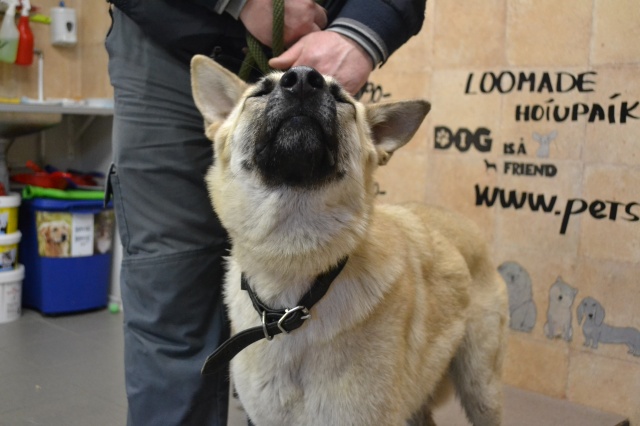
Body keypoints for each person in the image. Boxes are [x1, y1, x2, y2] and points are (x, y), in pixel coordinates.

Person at [104, 1, 427, 424]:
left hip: (322, 43)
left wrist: (360, 34)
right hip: (167, 42)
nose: (300, 84)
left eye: (332, 95)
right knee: (170, 299)